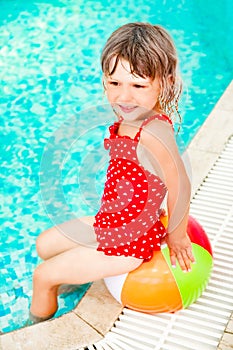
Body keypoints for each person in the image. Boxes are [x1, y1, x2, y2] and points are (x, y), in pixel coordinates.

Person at [29, 22, 195, 324]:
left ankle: (36, 328)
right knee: (44, 244)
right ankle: (71, 279)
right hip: (112, 223)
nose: (124, 97)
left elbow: (181, 184)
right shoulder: (133, 117)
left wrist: (178, 236)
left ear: (166, 82)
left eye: (138, 85)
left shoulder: (153, 132)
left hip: (127, 244)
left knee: (42, 276)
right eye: (114, 83)